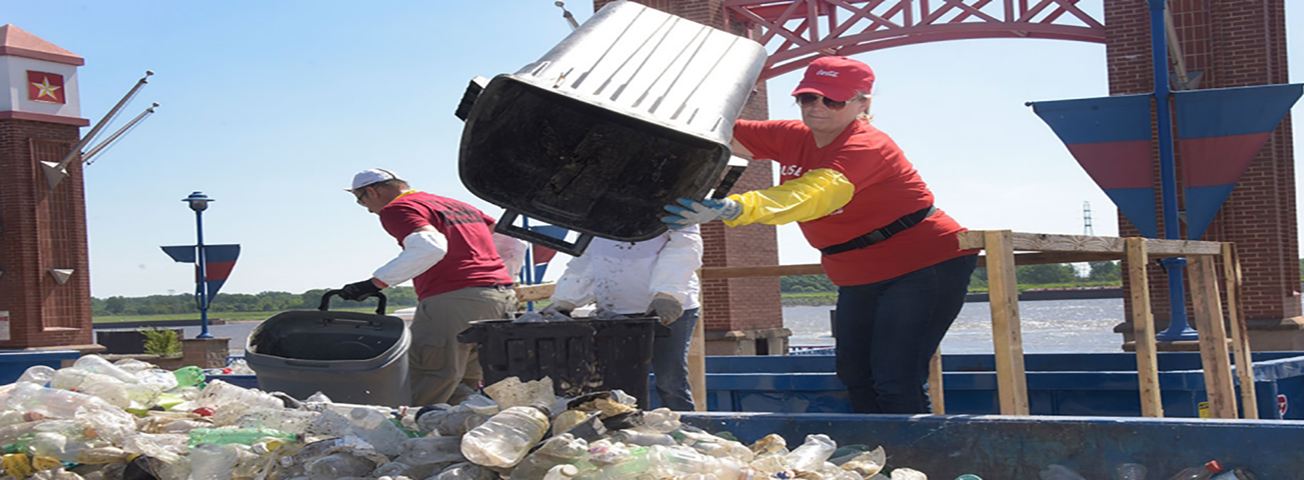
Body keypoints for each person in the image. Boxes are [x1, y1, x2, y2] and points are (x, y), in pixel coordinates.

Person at [661, 56, 979, 414]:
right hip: (857, 272)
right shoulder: (790, 136)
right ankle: (875, 458)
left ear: (863, 104)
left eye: (834, 100)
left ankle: (915, 463)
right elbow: (715, 131)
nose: (818, 108)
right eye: (808, 97)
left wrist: (735, 207)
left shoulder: (868, 146)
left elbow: (813, 195)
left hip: (924, 264)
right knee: (854, 374)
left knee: (896, 378)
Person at [339, 168, 524, 406]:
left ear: (372, 191)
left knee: (429, 375)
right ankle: (467, 428)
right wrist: (496, 280)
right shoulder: (455, 205)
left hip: (455, 300)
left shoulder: (397, 208)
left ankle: (410, 436)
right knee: (465, 381)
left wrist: (375, 283)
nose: (365, 208)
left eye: (360, 199)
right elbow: (513, 245)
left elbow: (430, 247)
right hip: (501, 297)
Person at [538, 226, 703, 410]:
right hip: (617, 309)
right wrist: (565, 300)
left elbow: (685, 246)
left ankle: (682, 428)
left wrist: (668, 293)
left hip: (668, 307)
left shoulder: (670, 202)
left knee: (670, 379)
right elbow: (588, 258)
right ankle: (624, 429)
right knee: (618, 382)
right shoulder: (596, 209)